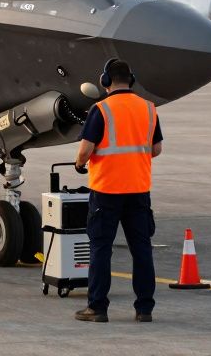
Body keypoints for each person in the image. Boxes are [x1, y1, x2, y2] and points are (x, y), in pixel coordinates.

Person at [73, 59, 163, 324]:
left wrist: (79, 164)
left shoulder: (101, 109)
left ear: (105, 81)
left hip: (107, 190)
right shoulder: (148, 108)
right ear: (130, 80)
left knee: (101, 249)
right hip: (138, 189)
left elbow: (85, 149)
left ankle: (97, 308)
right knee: (142, 249)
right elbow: (156, 149)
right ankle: (144, 309)